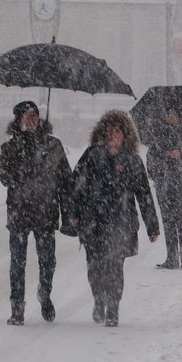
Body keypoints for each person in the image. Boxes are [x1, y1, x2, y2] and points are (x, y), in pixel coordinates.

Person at [69, 110, 160, 327]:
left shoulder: (133, 161)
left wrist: (152, 226)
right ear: (102, 133)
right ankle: (99, 300)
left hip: (121, 223)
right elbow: (75, 185)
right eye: (109, 131)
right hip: (92, 223)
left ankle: (114, 308)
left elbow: (144, 194)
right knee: (94, 268)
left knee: (115, 267)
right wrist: (72, 213)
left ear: (125, 134)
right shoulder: (91, 156)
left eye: (117, 131)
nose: (112, 135)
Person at [0, 100, 73, 326]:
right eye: (27, 117)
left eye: (35, 116)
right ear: (18, 120)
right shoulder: (9, 148)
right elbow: (4, 176)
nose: (31, 121)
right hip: (19, 211)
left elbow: (66, 182)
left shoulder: (53, 146)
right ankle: (17, 308)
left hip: (46, 211)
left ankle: (45, 293)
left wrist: (69, 212)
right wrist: (13, 172)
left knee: (48, 260)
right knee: (17, 262)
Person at [146, 107, 182, 271]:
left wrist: (181, 153)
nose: (169, 117)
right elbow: (151, 160)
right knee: (168, 222)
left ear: (179, 116)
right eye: (167, 114)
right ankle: (172, 259)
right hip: (164, 185)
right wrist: (162, 164)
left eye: (172, 115)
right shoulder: (158, 135)